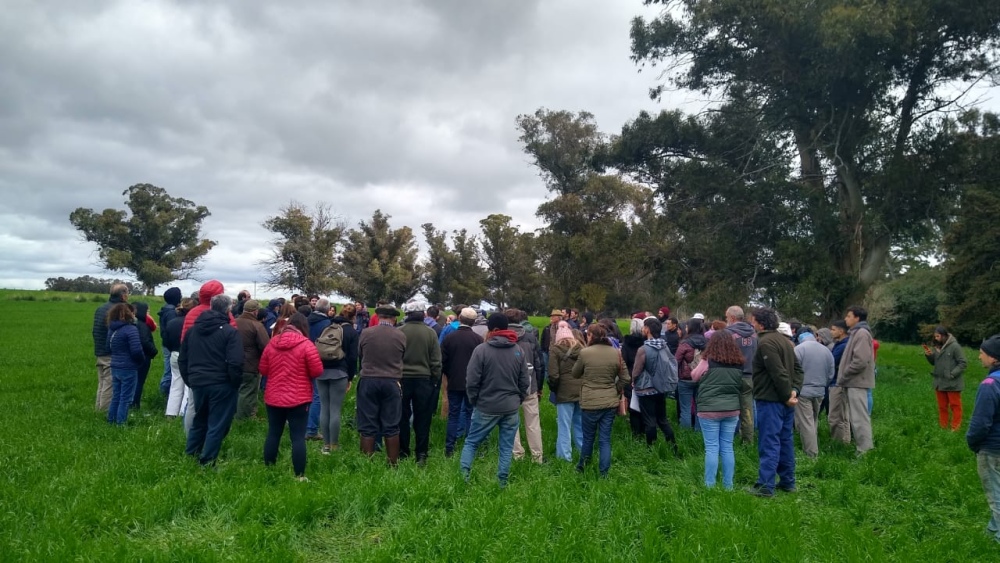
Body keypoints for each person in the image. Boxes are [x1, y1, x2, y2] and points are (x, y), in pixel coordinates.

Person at [461, 313, 530, 487]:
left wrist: (474, 400)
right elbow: (524, 382)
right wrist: (518, 399)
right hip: (510, 407)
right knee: (506, 447)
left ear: (493, 330)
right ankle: (502, 482)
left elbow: (471, 380)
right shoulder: (517, 350)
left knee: (471, 442)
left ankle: (463, 478)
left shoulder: (481, 350)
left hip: (486, 406)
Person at [179, 294, 244, 468]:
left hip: (198, 382)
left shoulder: (193, 330)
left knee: (200, 420)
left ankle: (191, 453)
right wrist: (234, 382)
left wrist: (190, 380)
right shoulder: (230, 332)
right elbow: (236, 361)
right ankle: (207, 461)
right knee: (217, 423)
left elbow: (183, 358)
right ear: (229, 309)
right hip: (222, 383)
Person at [258, 313, 323, 481]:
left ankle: (269, 469)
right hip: (299, 398)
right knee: (297, 437)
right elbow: (317, 371)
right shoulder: (307, 345)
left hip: (274, 396)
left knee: (273, 433)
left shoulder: (272, 343)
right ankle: (299, 475)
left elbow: (263, 370)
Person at [749, 307, 803, 497]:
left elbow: (777, 372)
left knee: (769, 442)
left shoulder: (766, 342)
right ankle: (788, 481)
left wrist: (787, 394)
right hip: (786, 400)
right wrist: (794, 391)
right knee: (785, 440)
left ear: (761, 324)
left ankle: (765, 486)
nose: (752, 324)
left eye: (753, 321)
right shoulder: (786, 341)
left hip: (771, 400)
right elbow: (798, 370)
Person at [571, 323, 628, 477]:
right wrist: (615, 389)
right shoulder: (616, 353)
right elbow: (626, 378)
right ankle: (604, 473)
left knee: (588, 437)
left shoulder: (585, 353)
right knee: (605, 439)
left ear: (590, 336)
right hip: (609, 402)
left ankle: (582, 467)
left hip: (589, 401)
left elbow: (575, 373)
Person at [691, 331, 744, 489]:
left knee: (712, 447)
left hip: (709, 409)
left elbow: (694, 376)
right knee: (727, 446)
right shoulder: (739, 362)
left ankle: (710, 485)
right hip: (732, 409)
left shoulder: (708, 361)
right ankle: (728, 485)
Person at [356, 305, 406, 466]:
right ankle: (392, 463)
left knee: (367, 425)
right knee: (391, 426)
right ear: (394, 319)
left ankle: (367, 464)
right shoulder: (400, 335)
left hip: (369, 380)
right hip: (391, 381)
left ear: (378, 317)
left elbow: (360, 354)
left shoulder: (366, 333)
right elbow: (402, 355)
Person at [398, 300, 443, 465]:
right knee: (422, 418)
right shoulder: (430, 333)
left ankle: (403, 451)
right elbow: (436, 360)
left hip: (402, 380)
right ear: (423, 314)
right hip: (424, 380)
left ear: (407, 314)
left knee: (402, 417)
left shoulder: (400, 331)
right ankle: (421, 454)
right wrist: (435, 379)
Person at [967, 335, 1000, 544]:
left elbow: (980, 423)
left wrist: (973, 442)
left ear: (994, 358)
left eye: (982, 352)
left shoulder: (990, 385)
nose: (979, 356)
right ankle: (992, 529)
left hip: (992, 448)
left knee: (995, 494)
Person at [632, 318, 679, 452]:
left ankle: (651, 449)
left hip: (645, 389)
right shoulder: (665, 346)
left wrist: (633, 380)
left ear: (647, 329)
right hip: (661, 387)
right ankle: (673, 447)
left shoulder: (643, 349)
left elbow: (637, 370)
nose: (642, 329)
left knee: (649, 421)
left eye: (644, 327)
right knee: (663, 419)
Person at [441, 308, 483, 457]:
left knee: (453, 415)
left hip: (454, 382)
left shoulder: (449, 338)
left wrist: (450, 374)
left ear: (460, 318)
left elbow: (443, 362)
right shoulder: (478, 340)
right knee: (471, 415)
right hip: (472, 384)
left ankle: (449, 448)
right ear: (473, 321)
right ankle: (470, 447)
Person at [317, 303, 359, 454]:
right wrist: (350, 377)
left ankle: (325, 445)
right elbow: (353, 357)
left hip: (322, 371)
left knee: (324, 408)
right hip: (340, 373)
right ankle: (334, 445)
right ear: (354, 316)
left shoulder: (328, 327)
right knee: (335, 409)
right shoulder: (352, 333)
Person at [507, 309, 544, 464]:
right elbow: (539, 365)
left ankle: (517, 455)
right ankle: (537, 456)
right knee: (533, 422)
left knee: (511, 422)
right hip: (530, 385)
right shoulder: (530, 338)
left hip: (509, 386)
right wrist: (539, 386)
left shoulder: (502, 338)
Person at [837, 306, 875, 455]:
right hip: (853, 381)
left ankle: (864, 450)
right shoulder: (856, 333)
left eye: (849, 316)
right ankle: (862, 448)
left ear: (857, 318)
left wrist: (845, 375)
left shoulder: (862, 333)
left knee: (860, 418)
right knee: (856, 417)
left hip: (857, 382)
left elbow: (860, 361)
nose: (846, 319)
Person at [794, 330, 835, 458]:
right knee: (814, 419)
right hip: (820, 391)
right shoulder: (826, 351)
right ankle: (812, 444)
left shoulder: (799, 349)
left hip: (803, 391)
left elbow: (793, 371)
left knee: (806, 422)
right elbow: (831, 374)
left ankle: (811, 453)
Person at [548, 321, 585, 461]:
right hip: (581, 391)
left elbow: (553, 374)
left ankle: (565, 457)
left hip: (564, 393)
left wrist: (554, 388)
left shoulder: (555, 350)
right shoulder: (581, 348)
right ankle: (583, 452)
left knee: (564, 425)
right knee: (579, 424)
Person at [92, 283, 130, 411]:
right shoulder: (117, 311)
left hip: (99, 350)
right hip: (110, 352)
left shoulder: (101, 308)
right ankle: (104, 411)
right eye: (127, 294)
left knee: (102, 383)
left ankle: (98, 409)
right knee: (109, 384)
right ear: (123, 296)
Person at [106, 303, 145, 425]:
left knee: (116, 395)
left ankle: (111, 420)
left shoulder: (112, 329)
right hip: (128, 367)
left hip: (115, 365)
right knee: (125, 398)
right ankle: (121, 424)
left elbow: (108, 347)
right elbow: (137, 350)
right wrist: (140, 361)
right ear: (130, 314)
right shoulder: (131, 329)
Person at [724, 306, 758, 444]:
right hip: (750, 376)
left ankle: (728, 441)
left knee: (729, 410)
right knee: (747, 410)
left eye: (726, 317)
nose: (726, 320)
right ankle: (748, 442)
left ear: (732, 318)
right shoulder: (754, 334)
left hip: (732, 376)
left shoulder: (727, 334)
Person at [924, 326, 967, 431]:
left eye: (938, 336)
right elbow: (934, 362)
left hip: (952, 382)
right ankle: (943, 426)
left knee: (955, 405)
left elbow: (963, 363)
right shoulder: (938, 347)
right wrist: (929, 356)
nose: (936, 338)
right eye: (935, 336)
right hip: (939, 382)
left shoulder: (955, 347)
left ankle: (955, 427)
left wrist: (952, 374)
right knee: (942, 406)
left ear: (944, 336)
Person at [305, 299, 335, 441]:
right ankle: (311, 429)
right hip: (318, 361)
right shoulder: (327, 324)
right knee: (317, 396)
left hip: (303, 360)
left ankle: (301, 425)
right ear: (327, 310)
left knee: (304, 394)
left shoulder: (305, 321)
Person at [235, 300, 270, 420]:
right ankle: (244, 419)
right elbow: (266, 346)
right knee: (248, 392)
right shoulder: (256, 325)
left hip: (233, 362)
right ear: (255, 311)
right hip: (250, 364)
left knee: (237, 390)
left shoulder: (233, 322)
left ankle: (234, 414)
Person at [164, 298, 194, 418]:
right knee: (188, 386)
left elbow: (165, 341)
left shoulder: (172, 322)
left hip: (174, 354)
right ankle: (183, 413)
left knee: (175, 383)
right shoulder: (192, 322)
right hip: (187, 355)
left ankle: (170, 412)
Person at [676, 316, 707, 430]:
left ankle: (686, 434)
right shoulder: (707, 342)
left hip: (685, 378)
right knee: (700, 408)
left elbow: (676, 360)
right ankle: (699, 432)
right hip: (702, 378)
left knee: (685, 408)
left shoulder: (685, 343)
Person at [619, 317, 647, 439]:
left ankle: (636, 434)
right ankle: (646, 429)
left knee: (633, 407)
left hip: (630, 378)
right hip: (645, 377)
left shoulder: (626, 344)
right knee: (645, 405)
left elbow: (623, 361)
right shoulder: (645, 342)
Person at [131, 301, 158, 409]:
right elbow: (145, 342)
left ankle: (132, 402)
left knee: (133, 380)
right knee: (139, 381)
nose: (148, 313)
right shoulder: (142, 325)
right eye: (147, 311)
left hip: (133, 356)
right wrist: (154, 351)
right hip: (143, 357)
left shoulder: (132, 323)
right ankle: (135, 404)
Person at [827, 320, 850, 440]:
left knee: (835, 416)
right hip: (840, 382)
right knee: (843, 416)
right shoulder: (842, 344)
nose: (831, 332)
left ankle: (838, 443)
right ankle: (846, 440)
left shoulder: (842, 346)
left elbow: (832, 362)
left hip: (837, 383)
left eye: (833, 329)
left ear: (841, 331)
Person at [157, 287, 182, 396]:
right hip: (170, 344)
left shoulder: (165, 309)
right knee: (169, 371)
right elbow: (173, 330)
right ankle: (164, 392)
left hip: (165, 342)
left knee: (169, 367)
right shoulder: (172, 312)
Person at [540, 309, 564, 396]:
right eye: (552, 316)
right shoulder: (550, 327)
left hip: (559, 350)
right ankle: (549, 381)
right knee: (548, 367)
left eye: (554, 316)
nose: (552, 318)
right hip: (550, 349)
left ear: (558, 317)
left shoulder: (563, 327)